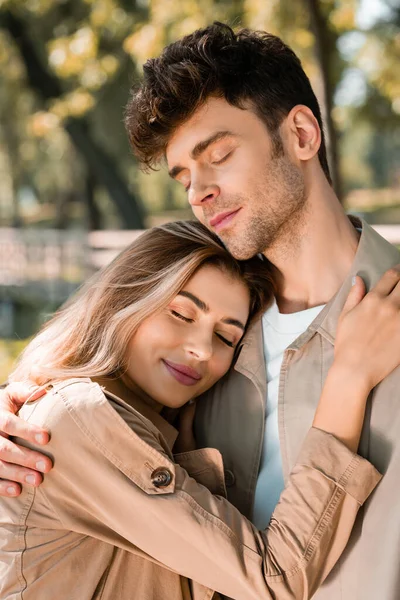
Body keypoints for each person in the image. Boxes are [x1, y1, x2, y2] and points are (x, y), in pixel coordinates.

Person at [0, 22, 400, 599]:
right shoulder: (190, 370)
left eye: (219, 155)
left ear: (303, 134)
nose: (198, 192)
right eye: (185, 175)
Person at [1, 218, 400, 600]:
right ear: (125, 298)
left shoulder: (151, 427)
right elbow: (274, 581)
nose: (202, 349)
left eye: (227, 336)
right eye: (181, 314)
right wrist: (349, 378)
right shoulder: (80, 418)